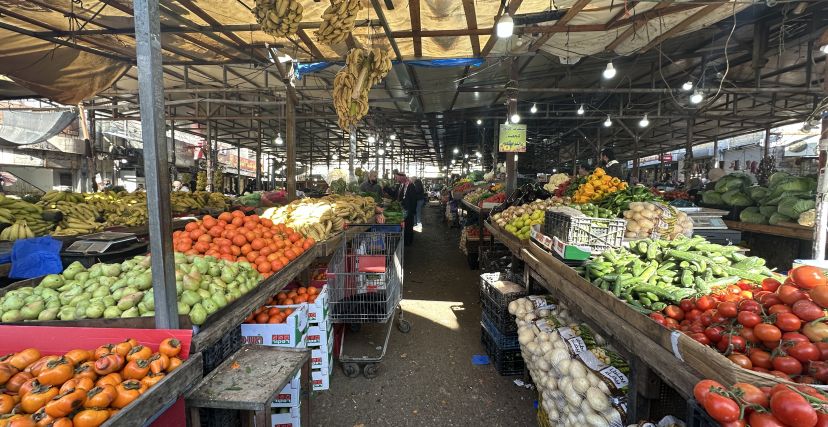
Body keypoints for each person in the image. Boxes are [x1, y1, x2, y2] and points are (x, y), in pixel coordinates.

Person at [395, 172, 417, 246]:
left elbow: (414, 199)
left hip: (409, 209)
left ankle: (408, 242)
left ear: (402, 177)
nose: (396, 179)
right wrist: (386, 188)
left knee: (408, 225)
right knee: (405, 225)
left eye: (397, 177)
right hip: (402, 209)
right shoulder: (400, 185)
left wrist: (412, 210)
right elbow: (396, 194)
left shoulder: (410, 185)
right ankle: (405, 241)